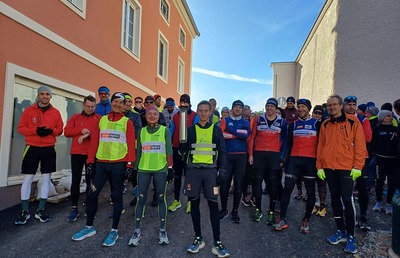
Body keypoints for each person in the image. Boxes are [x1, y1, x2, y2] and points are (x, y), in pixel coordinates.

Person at [71, 92, 136, 247]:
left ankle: (114, 230)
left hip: (118, 164)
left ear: (124, 105)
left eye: (122, 102)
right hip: (101, 164)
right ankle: (89, 227)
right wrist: (90, 162)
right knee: (92, 195)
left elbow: (131, 145)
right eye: (116, 101)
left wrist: (130, 165)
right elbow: (94, 142)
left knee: (116, 196)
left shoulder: (127, 122)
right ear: (111, 103)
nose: (118, 104)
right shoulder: (102, 120)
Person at [316, 95, 366, 254]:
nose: (331, 107)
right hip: (329, 167)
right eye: (329, 105)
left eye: (334, 104)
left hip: (346, 168)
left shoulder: (353, 121)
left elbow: (360, 144)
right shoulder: (325, 124)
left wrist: (358, 166)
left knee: (347, 199)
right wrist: (320, 166)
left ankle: (351, 235)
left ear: (341, 105)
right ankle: (340, 231)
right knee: (335, 200)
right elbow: (321, 145)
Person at [182, 100, 230, 257]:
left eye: (206, 111)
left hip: (210, 173)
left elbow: (222, 151)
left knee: (213, 205)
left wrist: (222, 170)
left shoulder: (216, 130)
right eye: (200, 110)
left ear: (210, 113)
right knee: (194, 204)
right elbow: (183, 151)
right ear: (197, 112)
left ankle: (217, 242)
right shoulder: (190, 130)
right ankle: (198, 239)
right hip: (193, 172)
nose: (203, 113)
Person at [15, 85, 64, 225]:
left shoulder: (55, 112)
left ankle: (41, 210)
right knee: (28, 178)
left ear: (50, 96)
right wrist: (35, 130)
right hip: (32, 147)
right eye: (42, 94)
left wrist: (51, 131)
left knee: (46, 178)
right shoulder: (29, 111)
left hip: (48, 148)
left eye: (47, 94)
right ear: (38, 95)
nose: (44, 96)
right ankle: (24, 211)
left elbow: (60, 129)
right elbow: (20, 128)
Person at [128, 105, 173, 246]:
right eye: (149, 114)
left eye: (155, 114)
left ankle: (162, 230)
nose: (152, 116)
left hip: (160, 168)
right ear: (145, 116)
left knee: (161, 199)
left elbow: (169, 150)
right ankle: (136, 231)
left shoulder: (164, 130)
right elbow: (139, 152)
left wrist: (170, 168)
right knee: (141, 200)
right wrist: (134, 169)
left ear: (158, 116)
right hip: (143, 169)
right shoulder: (141, 131)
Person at [273, 99, 320, 234]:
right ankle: (282, 219)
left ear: (308, 109)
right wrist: (285, 161)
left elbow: (321, 145)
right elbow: (288, 144)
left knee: (310, 191)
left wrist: (320, 163)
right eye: (299, 107)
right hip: (294, 160)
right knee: (287, 188)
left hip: (310, 161)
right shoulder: (293, 125)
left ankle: (306, 220)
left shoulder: (317, 124)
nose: (300, 109)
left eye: (303, 107)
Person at [248, 98, 287, 225]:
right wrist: (251, 154)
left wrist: (282, 157)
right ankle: (258, 209)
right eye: (268, 106)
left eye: (272, 106)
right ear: (265, 107)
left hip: (274, 156)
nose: (269, 108)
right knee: (257, 183)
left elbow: (285, 140)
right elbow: (253, 137)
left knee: (273, 184)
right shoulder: (258, 119)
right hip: (259, 154)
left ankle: (271, 211)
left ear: (276, 108)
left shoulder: (282, 121)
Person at [64, 95, 101, 222]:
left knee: (91, 181)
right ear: (83, 106)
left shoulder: (99, 119)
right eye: (88, 106)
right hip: (77, 153)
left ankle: (89, 206)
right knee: (76, 180)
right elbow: (67, 132)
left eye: (92, 107)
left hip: (92, 154)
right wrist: (81, 130)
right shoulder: (75, 118)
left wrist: (89, 134)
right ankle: (74, 208)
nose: (90, 109)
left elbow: (101, 135)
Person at [219, 100, 251, 223]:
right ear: (232, 109)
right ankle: (224, 209)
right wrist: (236, 135)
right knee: (224, 184)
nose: (237, 109)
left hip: (241, 156)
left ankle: (235, 211)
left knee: (238, 185)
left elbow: (246, 134)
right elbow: (221, 134)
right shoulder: (225, 120)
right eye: (235, 107)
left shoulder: (245, 121)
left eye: (239, 107)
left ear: (242, 110)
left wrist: (231, 131)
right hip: (227, 155)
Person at [343, 95, 372, 230]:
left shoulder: (362, 120)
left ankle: (363, 216)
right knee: (345, 189)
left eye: (353, 104)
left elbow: (367, 138)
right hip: (345, 158)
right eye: (348, 104)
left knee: (362, 188)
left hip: (361, 158)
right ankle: (350, 217)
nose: (351, 106)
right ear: (344, 105)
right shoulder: (340, 119)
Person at [168, 94, 199, 213]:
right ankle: (177, 200)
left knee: (189, 176)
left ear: (189, 104)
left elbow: (196, 131)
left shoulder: (195, 115)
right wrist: (169, 146)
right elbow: (171, 131)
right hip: (176, 148)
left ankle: (190, 201)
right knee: (177, 176)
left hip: (189, 149)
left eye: (186, 103)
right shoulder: (175, 116)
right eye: (182, 103)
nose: (184, 104)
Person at [371, 110, 399, 215]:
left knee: (392, 182)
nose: (390, 117)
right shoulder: (377, 129)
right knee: (380, 181)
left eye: (391, 116)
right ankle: (378, 202)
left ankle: (388, 204)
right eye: (388, 116)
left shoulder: (396, 130)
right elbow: (372, 143)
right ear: (382, 118)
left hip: (393, 160)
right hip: (381, 159)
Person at [310, 105, 327, 217]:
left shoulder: (324, 125)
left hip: (321, 157)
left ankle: (322, 205)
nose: (317, 114)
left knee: (321, 183)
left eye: (319, 113)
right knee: (310, 182)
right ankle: (313, 204)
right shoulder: (309, 123)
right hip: (310, 157)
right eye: (315, 112)